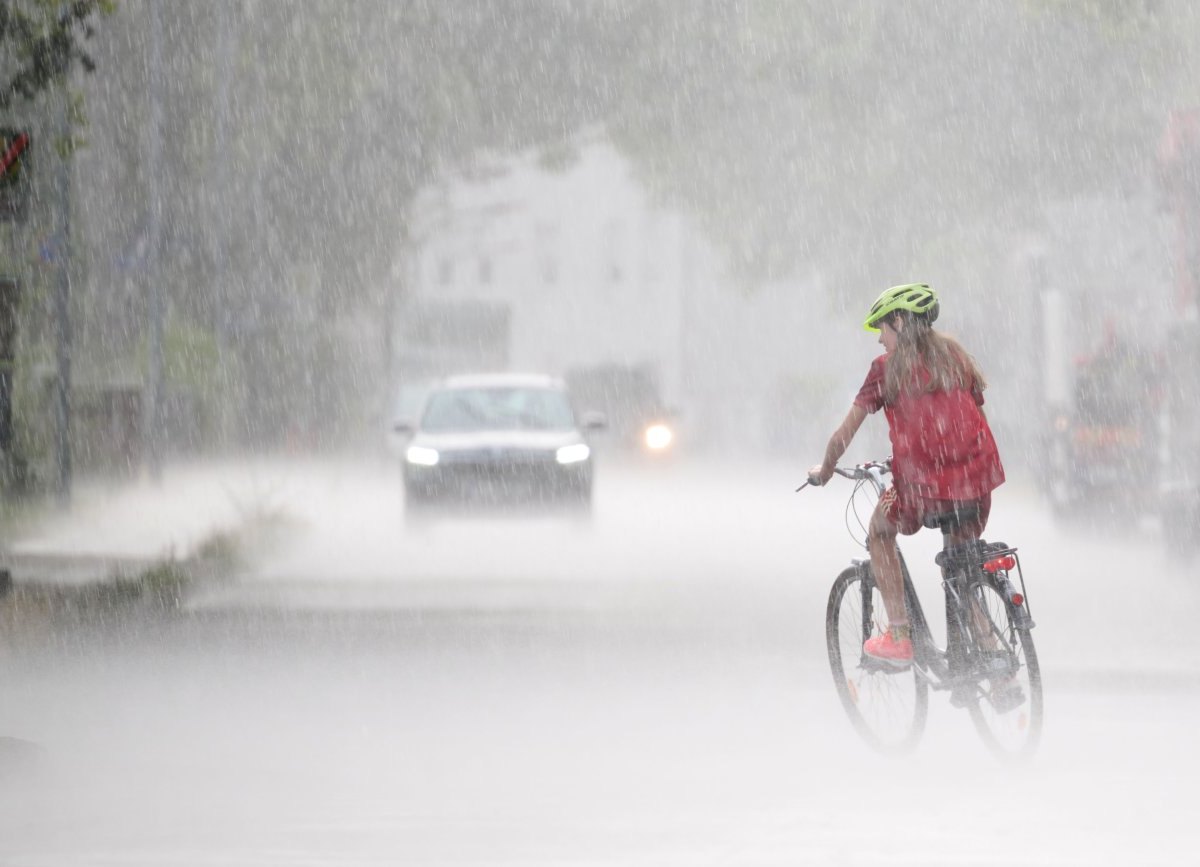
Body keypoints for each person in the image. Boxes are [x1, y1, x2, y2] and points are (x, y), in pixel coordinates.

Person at [809, 283, 1005, 665]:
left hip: (923, 487)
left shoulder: (886, 369)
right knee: (961, 567)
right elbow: (967, 414)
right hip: (976, 481)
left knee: (880, 532)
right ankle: (996, 665)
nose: (880, 340)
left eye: (882, 329)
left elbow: (844, 433)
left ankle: (899, 635)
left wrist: (827, 468)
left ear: (899, 322)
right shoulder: (956, 355)